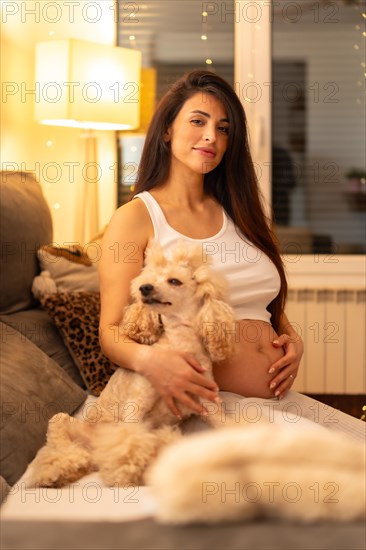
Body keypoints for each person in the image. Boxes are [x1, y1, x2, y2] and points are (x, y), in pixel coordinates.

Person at [98, 70, 304, 420]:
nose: (211, 136)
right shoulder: (136, 217)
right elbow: (111, 331)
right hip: (202, 406)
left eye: (223, 128)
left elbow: (262, 301)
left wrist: (291, 338)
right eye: (198, 121)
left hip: (275, 404)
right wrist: (154, 363)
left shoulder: (239, 211)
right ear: (167, 129)